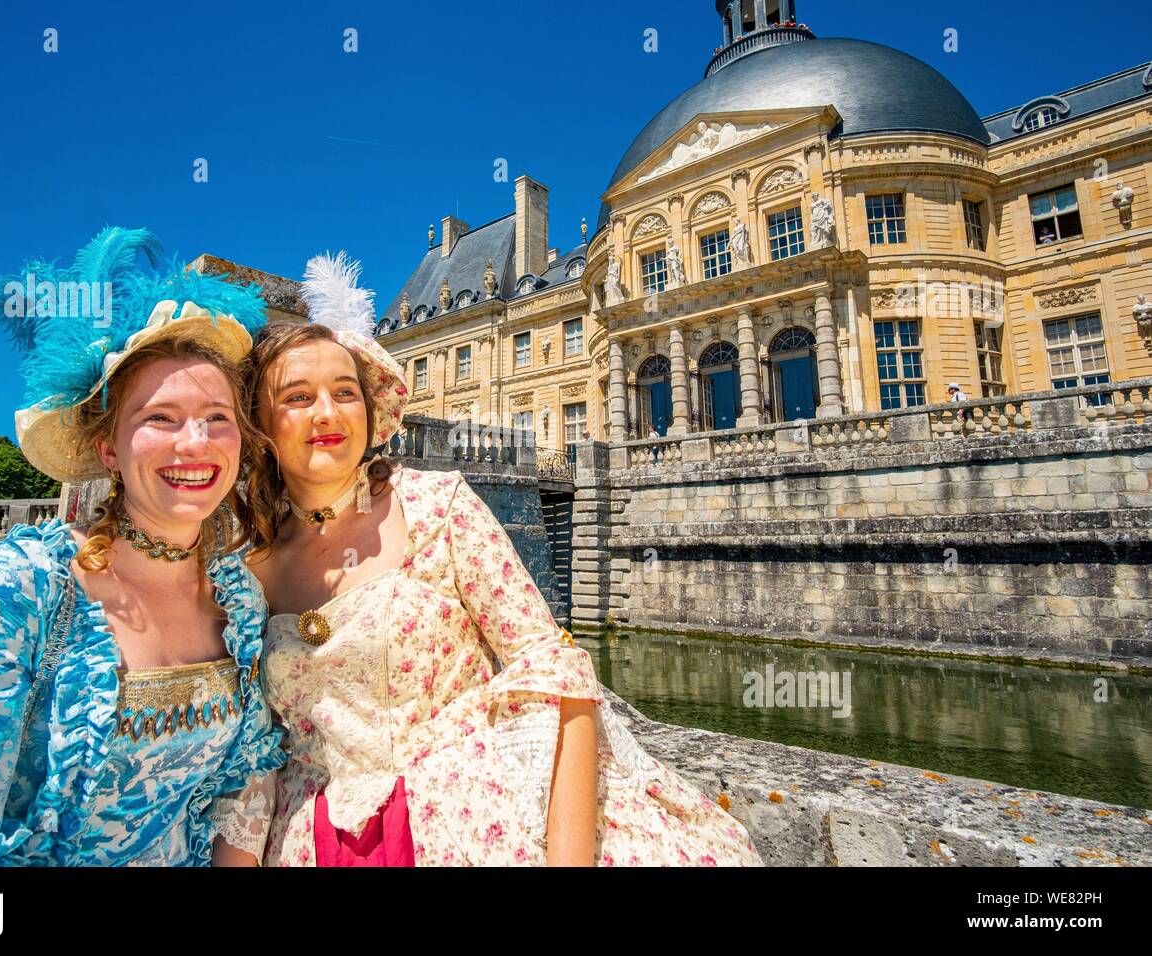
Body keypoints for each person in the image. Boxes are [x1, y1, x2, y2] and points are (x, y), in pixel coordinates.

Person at [225, 252, 762, 867]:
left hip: (472, 827)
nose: (327, 412)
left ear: (370, 413)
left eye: (345, 392)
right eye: (298, 397)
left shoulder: (437, 507)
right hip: (314, 844)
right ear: (261, 426)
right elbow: (251, 763)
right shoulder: (249, 569)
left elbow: (557, 677)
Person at [0, 227, 285, 867]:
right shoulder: (24, 583)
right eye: (159, 418)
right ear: (109, 448)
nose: (195, 442)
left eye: (217, 416)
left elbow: (242, 784)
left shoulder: (240, 599)